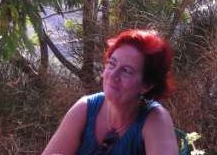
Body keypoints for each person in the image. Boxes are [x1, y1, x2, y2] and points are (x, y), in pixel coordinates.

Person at [42, 29, 178, 155]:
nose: (113, 75)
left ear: (146, 85)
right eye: (112, 63)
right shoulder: (85, 108)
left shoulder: (155, 120)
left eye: (126, 71)